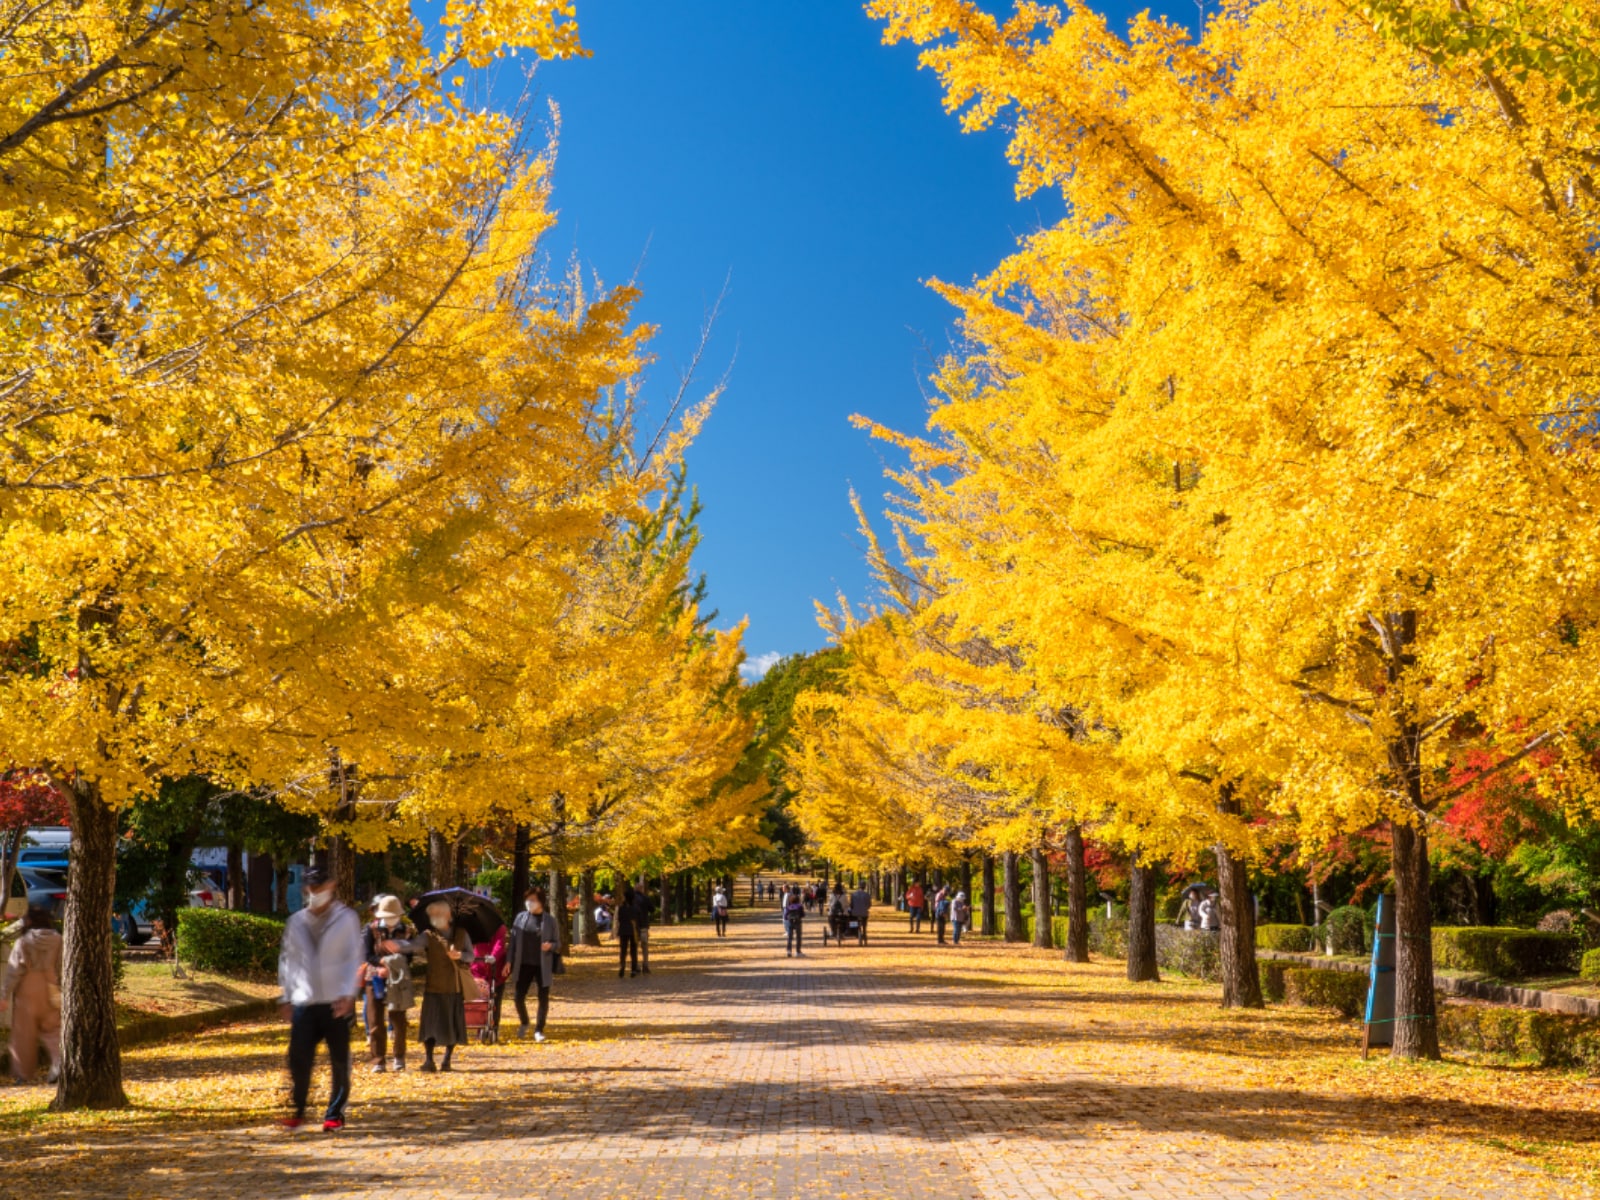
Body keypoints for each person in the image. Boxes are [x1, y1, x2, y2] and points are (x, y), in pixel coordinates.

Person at [276, 862, 362, 1130]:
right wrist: (286, 996)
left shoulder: (346, 918)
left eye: (320, 886)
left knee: (339, 1060)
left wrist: (349, 994)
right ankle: (299, 1110)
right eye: (311, 887)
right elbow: (288, 960)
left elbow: (354, 958)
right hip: (304, 1000)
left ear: (331, 886)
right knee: (298, 1058)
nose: (315, 892)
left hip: (336, 1001)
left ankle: (334, 1114)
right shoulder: (296, 921)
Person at [388, 899, 475, 1072]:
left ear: (448, 915)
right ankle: (429, 1060)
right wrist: (397, 945)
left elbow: (471, 956)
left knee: (452, 1024)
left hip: (454, 986)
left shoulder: (461, 934)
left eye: (437, 914)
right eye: (432, 915)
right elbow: (413, 945)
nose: (434, 917)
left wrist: (460, 955)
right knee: (430, 1026)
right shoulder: (428, 935)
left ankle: (447, 1060)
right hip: (433, 986)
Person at [1, 906, 62, 1085]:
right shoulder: (58, 939)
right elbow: (61, 965)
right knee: (53, 1030)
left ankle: (23, 1074)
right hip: (50, 986)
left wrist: (4, 995)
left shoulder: (23, 942)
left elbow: (14, 971)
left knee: (24, 1034)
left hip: (27, 989)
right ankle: (58, 1064)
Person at [361, 894, 413, 1072]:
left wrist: (394, 965)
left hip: (397, 980)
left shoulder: (406, 931)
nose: (391, 920)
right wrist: (381, 964)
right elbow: (366, 954)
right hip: (374, 979)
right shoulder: (370, 929)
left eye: (395, 916)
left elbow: (409, 956)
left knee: (398, 1020)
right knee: (375, 1020)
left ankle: (399, 1057)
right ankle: (378, 1059)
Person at [507, 887, 560, 1042]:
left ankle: (539, 1029)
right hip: (523, 963)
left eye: (533, 900)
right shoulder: (520, 918)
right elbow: (513, 942)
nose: (529, 903)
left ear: (541, 902)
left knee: (543, 997)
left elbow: (558, 943)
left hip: (542, 964)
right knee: (518, 997)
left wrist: (550, 945)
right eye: (528, 899)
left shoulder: (550, 921)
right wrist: (509, 960)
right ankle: (524, 1022)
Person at [615, 883, 640, 978]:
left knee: (623, 950)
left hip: (623, 930)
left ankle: (622, 965)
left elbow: (619, 919)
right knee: (633, 950)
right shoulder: (635, 908)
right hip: (633, 931)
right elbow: (638, 920)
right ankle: (633, 969)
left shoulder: (621, 908)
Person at [633, 883, 654, 974]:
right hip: (643, 926)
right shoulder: (645, 898)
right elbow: (652, 909)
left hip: (633, 926)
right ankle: (645, 965)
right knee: (644, 946)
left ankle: (636, 966)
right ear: (642, 889)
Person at [783, 885, 806, 957]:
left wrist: (787, 919)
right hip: (797, 922)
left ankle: (789, 951)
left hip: (790, 922)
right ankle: (798, 951)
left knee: (790, 937)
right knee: (798, 937)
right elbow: (803, 915)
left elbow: (785, 916)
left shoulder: (788, 907)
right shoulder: (799, 906)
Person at [850, 879, 871, 944]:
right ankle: (864, 933)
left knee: (853, 920)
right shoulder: (867, 895)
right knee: (864, 924)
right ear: (864, 886)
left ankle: (854, 931)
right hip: (864, 913)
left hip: (855, 913)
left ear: (858, 886)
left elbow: (851, 904)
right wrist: (865, 908)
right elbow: (869, 905)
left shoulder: (853, 894)